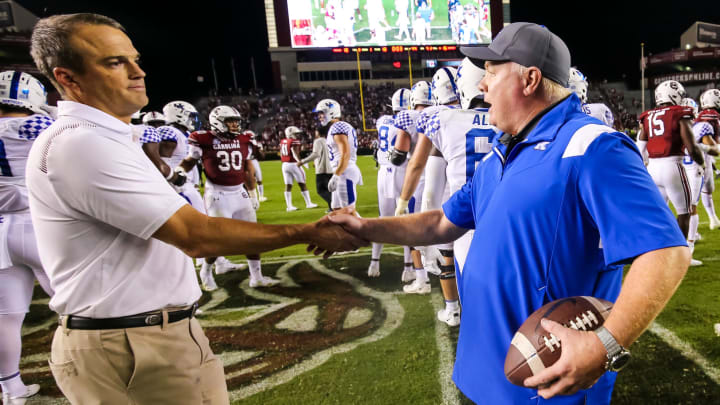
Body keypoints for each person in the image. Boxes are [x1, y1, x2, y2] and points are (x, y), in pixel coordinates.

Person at [328, 22, 690, 403]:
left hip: (543, 385)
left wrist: (604, 345)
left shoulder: (592, 146)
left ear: (530, 79)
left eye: (492, 73)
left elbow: (666, 251)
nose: (483, 86)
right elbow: (440, 222)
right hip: (480, 375)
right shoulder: (502, 153)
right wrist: (363, 227)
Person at [28, 13, 365, 405]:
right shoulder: (81, 143)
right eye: (114, 62)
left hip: (147, 333)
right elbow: (194, 235)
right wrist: (307, 230)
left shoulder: (106, 137)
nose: (138, 72)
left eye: (134, 58)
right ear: (68, 78)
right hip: (127, 344)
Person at [414, 57, 499, 327]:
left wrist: (429, 242)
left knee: (475, 316)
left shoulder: (444, 119)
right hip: (506, 223)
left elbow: (430, 191)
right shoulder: (512, 119)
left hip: (465, 226)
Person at [0, 71, 54, 403]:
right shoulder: (37, 127)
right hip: (39, 225)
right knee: (79, 305)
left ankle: (11, 389)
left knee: (6, 316)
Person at [637, 80, 705, 266]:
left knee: (658, 213)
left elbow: (639, 149)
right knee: (684, 212)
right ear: (674, 95)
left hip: (652, 169)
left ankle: (654, 254)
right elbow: (692, 147)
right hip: (672, 165)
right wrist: (701, 163)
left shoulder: (648, 116)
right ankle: (680, 259)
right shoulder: (679, 113)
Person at [368, 88, 419, 282]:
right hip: (402, 170)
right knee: (406, 221)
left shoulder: (382, 121)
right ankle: (408, 268)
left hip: (384, 172)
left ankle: (374, 262)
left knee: (383, 219)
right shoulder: (410, 118)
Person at [312, 98, 362, 210]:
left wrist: (336, 175)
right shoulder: (335, 128)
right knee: (336, 209)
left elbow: (345, 154)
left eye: (321, 113)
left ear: (331, 112)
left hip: (345, 172)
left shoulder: (338, 127)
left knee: (348, 212)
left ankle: (367, 228)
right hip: (342, 171)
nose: (319, 116)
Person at [696, 89, 720, 230]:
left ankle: (713, 219)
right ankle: (711, 220)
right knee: (706, 190)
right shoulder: (714, 116)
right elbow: (714, 145)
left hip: (689, 154)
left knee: (696, 193)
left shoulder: (699, 115)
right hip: (704, 154)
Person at [279, 126, 318, 211]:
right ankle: (309, 203)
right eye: (295, 134)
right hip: (293, 164)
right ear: (291, 134)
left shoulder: (283, 141)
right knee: (302, 183)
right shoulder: (294, 141)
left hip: (284, 165)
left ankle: (289, 206)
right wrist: (302, 162)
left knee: (288, 185)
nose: (297, 135)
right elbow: (294, 153)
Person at [298, 129, 333, 211]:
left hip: (322, 170)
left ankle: (334, 205)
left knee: (320, 190)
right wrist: (316, 162)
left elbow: (316, 154)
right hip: (330, 168)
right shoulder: (329, 140)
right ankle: (331, 207)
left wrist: (302, 161)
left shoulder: (318, 141)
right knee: (329, 190)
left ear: (319, 133)